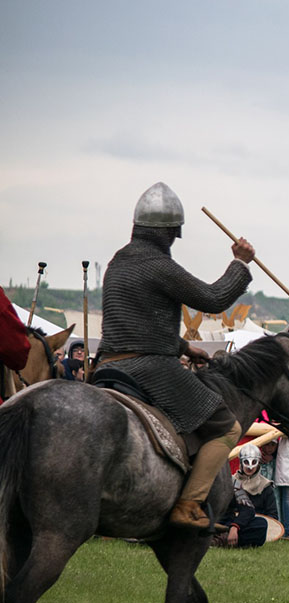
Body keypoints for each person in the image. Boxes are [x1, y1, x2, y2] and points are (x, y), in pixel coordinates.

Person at [97, 182, 254, 531]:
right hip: (150, 368)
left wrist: (184, 347)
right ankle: (188, 505)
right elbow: (213, 299)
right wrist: (239, 264)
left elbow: (136, 320)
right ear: (169, 232)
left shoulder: (117, 263)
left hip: (107, 366)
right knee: (227, 427)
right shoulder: (158, 266)